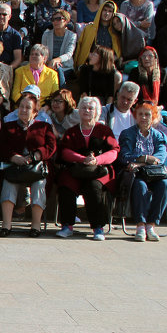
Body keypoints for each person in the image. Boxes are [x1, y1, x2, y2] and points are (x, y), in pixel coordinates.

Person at [55, 96, 119, 240]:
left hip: (98, 169)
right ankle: (67, 225)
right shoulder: (71, 131)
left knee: (94, 187)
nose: (87, 111)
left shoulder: (104, 130)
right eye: (84, 108)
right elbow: (64, 152)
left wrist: (97, 160)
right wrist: (82, 159)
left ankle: (98, 228)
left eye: (91, 108)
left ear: (96, 112)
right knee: (66, 185)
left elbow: (114, 151)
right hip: (75, 168)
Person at [0, 92, 56, 236]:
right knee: (8, 183)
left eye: (28, 107)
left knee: (39, 185)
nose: (23, 110)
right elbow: (1, 146)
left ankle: (36, 226)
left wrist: (35, 155)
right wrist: (13, 156)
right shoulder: (8, 126)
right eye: (21, 107)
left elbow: (51, 146)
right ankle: (6, 225)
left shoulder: (44, 126)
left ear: (35, 112)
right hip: (14, 167)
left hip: (36, 168)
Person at [116, 102, 167, 241]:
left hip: (154, 173)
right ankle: (140, 225)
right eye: (140, 114)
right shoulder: (127, 133)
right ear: (136, 116)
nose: (144, 117)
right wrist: (147, 158)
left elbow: (160, 157)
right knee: (140, 186)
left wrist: (140, 161)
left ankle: (151, 225)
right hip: (137, 174)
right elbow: (124, 156)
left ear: (153, 117)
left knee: (165, 185)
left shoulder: (159, 135)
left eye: (147, 114)